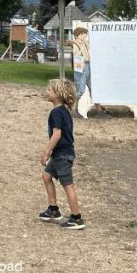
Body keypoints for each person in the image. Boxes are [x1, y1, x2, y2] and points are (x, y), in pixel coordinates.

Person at [38, 78, 85, 230]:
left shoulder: (56, 113)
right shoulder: (64, 111)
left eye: (50, 90)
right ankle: (53, 210)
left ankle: (76, 218)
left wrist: (46, 152)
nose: (47, 92)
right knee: (46, 176)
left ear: (58, 94)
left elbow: (56, 134)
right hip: (61, 154)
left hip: (61, 155)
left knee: (68, 185)